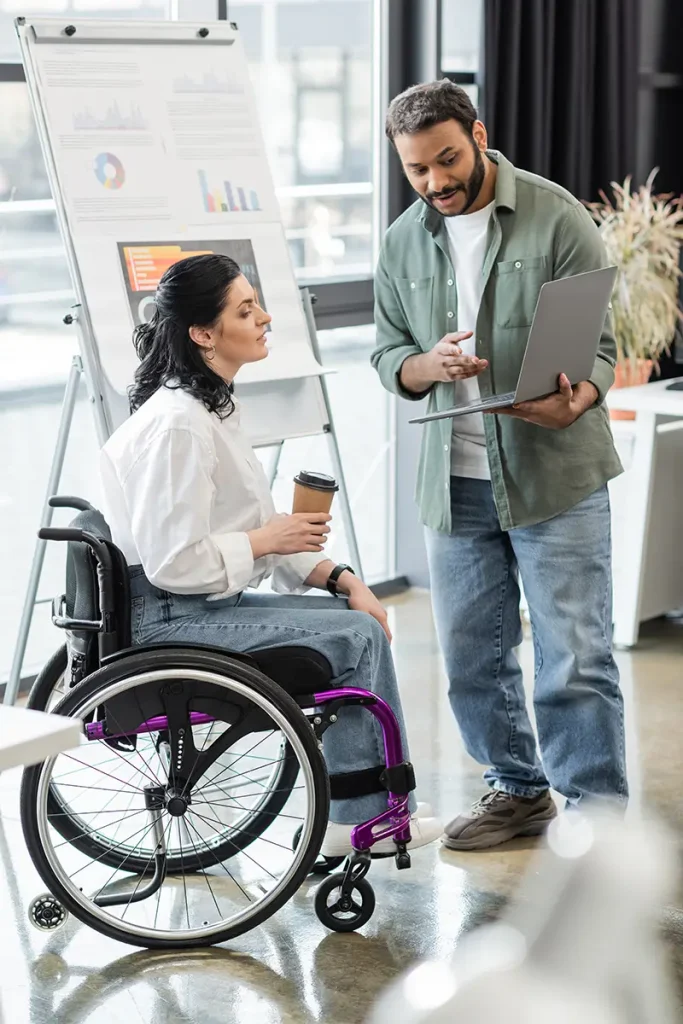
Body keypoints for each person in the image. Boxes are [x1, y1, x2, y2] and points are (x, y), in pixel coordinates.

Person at [98, 252, 442, 857]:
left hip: (188, 604)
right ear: (203, 333)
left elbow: (258, 528)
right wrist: (265, 542)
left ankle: (368, 809)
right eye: (246, 308)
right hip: (168, 616)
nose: (266, 318)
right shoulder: (179, 424)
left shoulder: (207, 407)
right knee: (359, 637)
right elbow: (175, 562)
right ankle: (363, 817)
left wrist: (339, 577)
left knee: (357, 619)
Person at [371, 79, 627, 851]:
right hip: (454, 485)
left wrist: (575, 397)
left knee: (574, 656)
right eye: (416, 170)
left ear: (477, 136)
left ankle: (597, 824)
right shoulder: (400, 242)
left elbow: (603, 352)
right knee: (470, 658)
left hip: (554, 474)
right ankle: (518, 791)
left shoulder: (555, 217)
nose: (434, 182)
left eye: (446, 160)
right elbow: (386, 355)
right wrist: (425, 364)